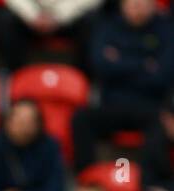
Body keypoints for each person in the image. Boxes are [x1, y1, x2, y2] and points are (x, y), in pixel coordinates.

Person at [70, 0, 174, 170]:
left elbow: (163, 75)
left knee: (164, 123)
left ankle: (152, 182)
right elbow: (100, 67)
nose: (137, 9)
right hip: (113, 104)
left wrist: (119, 61)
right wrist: (144, 64)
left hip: (150, 107)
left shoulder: (167, 29)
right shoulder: (107, 26)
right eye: (133, 4)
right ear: (122, 6)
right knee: (81, 118)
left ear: (154, 6)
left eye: (142, 4)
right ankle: (86, 179)